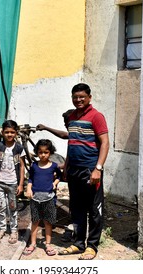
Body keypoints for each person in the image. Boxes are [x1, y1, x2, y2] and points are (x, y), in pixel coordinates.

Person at [58, 83, 109, 260]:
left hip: (90, 170)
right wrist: (66, 166)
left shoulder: (96, 116)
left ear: (89, 97)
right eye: (75, 97)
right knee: (77, 208)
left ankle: (92, 246)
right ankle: (79, 243)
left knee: (94, 210)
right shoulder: (71, 117)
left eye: (82, 97)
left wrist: (98, 169)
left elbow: (105, 143)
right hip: (74, 171)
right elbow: (71, 144)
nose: (78, 100)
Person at [36, 109, 77, 243]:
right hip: (70, 170)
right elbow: (64, 134)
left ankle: (72, 228)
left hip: (79, 172)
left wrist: (56, 166)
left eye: (67, 123)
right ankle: (51, 217)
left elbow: (64, 136)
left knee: (77, 202)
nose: (65, 126)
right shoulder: (73, 133)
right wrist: (46, 128)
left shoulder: (79, 134)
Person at [23, 139, 62, 256]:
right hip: (35, 199)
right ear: (37, 152)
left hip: (49, 198)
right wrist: (29, 189)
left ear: (50, 153)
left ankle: (48, 244)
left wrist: (55, 184)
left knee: (48, 222)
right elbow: (30, 179)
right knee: (35, 221)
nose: (43, 155)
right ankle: (33, 243)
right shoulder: (34, 166)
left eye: (46, 152)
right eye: (40, 152)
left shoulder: (54, 166)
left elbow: (59, 176)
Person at [0, 120, 26, 244]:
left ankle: (14, 231)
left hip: (13, 183)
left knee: (12, 207)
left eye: (12, 132)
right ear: (2, 133)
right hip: (0, 182)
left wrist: (21, 184)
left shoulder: (19, 148)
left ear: (16, 133)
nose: (9, 134)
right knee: (0, 207)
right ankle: (2, 229)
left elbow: (22, 166)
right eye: (7, 132)